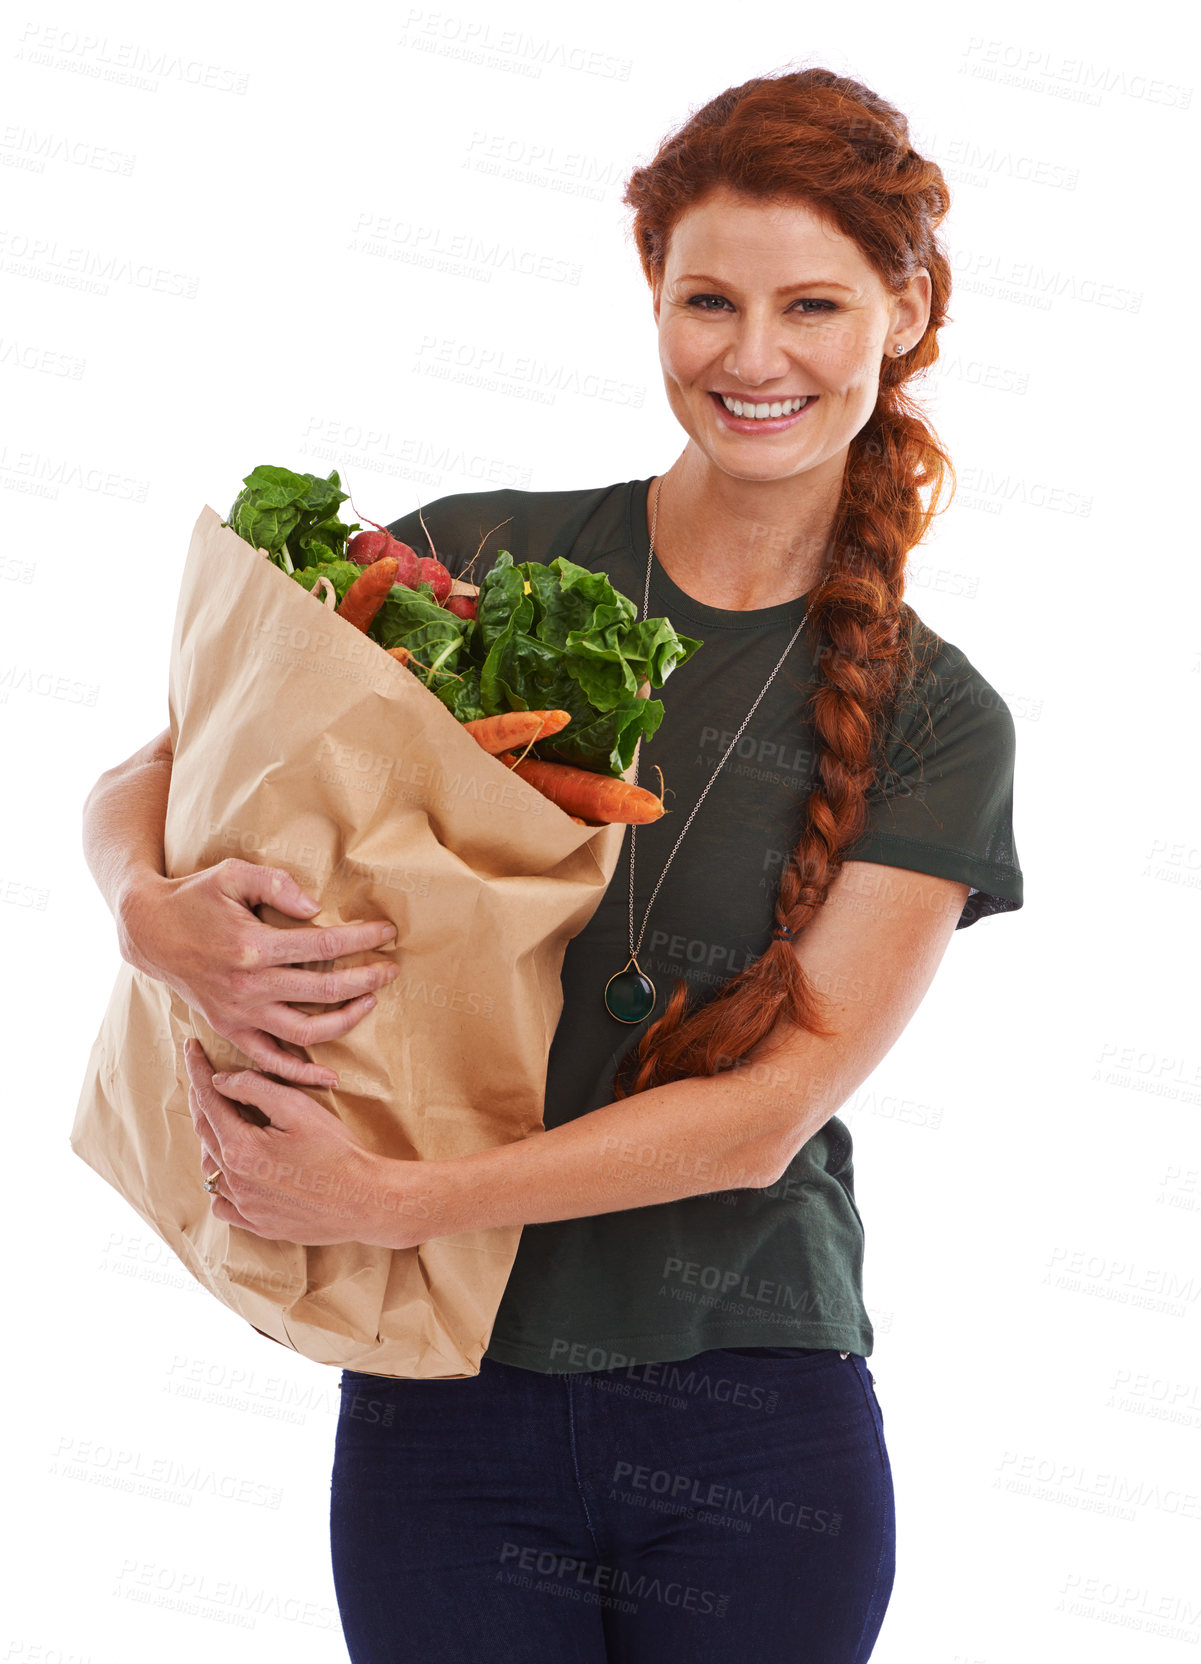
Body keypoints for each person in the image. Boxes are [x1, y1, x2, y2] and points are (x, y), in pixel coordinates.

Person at [82, 67, 1023, 1664]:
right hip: (441, 1395)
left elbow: (769, 1111)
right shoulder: (478, 557)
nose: (751, 356)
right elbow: (164, 764)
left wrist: (396, 1195)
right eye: (704, 300)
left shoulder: (936, 714)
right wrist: (148, 912)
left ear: (903, 307)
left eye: (811, 304)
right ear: (650, 299)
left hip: (751, 1417)